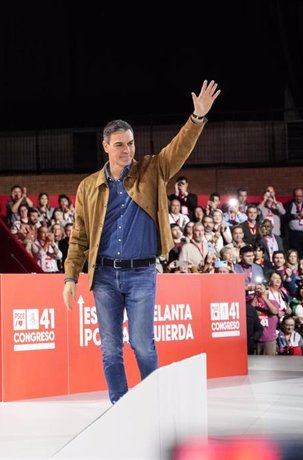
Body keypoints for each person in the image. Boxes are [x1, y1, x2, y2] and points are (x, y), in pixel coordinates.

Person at [62, 80, 221, 404]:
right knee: (109, 349)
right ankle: (120, 407)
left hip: (141, 275)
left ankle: (153, 404)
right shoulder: (88, 187)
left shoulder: (152, 170)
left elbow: (178, 148)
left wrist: (197, 118)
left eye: (131, 144)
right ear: (105, 145)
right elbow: (79, 236)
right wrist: (69, 278)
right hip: (104, 276)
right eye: (120, 144)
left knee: (142, 343)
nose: (127, 150)